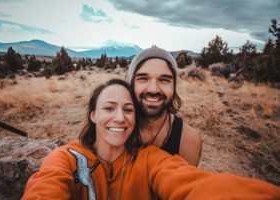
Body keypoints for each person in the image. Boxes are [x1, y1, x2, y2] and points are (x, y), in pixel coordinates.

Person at [22, 79, 279, 200]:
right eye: (109, 108)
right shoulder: (67, 158)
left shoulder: (150, 160)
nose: (120, 118)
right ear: (93, 114)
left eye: (128, 109)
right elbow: (45, 188)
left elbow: (192, 184)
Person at [127, 46, 202, 166]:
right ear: (131, 84)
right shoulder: (116, 128)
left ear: (174, 86)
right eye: (143, 78)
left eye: (164, 80)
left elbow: (184, 183)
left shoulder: (188, 140)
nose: (153, 89)